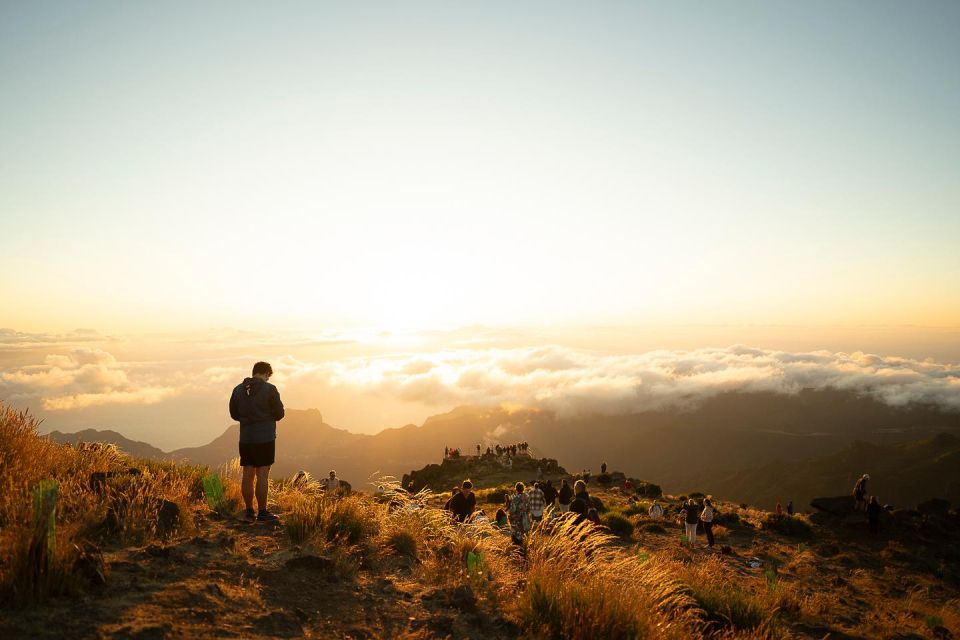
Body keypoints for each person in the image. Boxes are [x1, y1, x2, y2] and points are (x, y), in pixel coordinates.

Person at [229, 361, 285, 522]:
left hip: (246, 438)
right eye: (268, 376)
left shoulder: (238, 389)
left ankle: (248, 510)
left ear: (254, 372)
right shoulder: (270, 389)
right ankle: (262, 512)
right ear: (267, 373)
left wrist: (247, 420)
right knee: (262, 475)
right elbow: (279, 414)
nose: (268, 379)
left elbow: (234, 414)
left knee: (247, 474)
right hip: (265, 438)